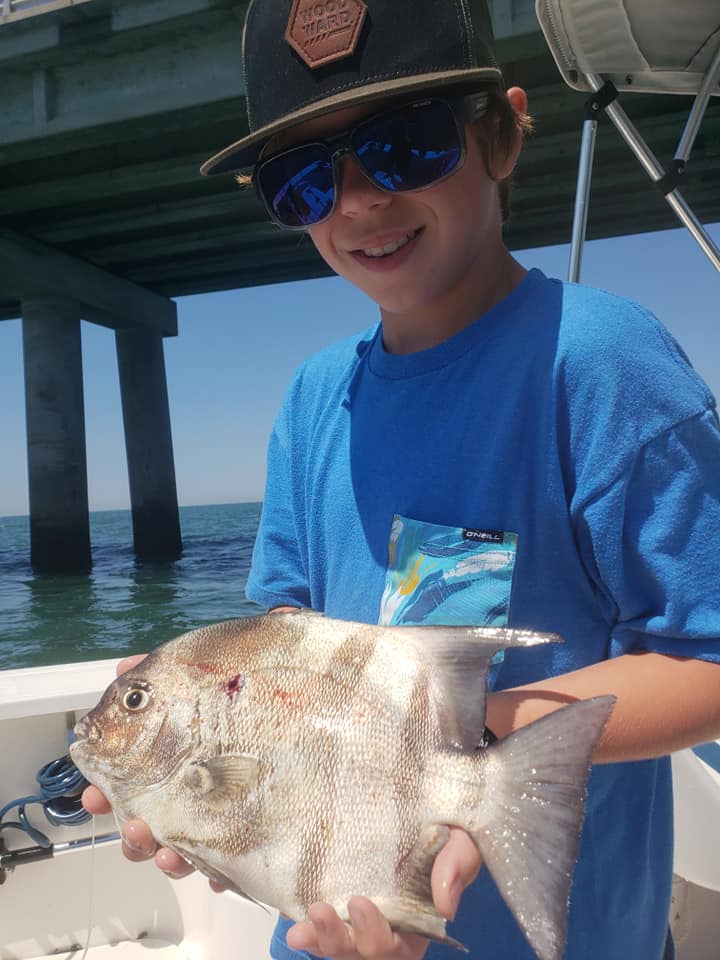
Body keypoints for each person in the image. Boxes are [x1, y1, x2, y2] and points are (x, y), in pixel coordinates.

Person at [83, 1, 720, 958]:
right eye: (300, 181)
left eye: (404, 147)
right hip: (335, 929)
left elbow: (705, 659)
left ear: (500, 133)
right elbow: (285, 641)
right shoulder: (312, 402)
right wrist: (197, 721)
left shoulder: (597, 364)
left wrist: (465, 738)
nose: (356, 201)